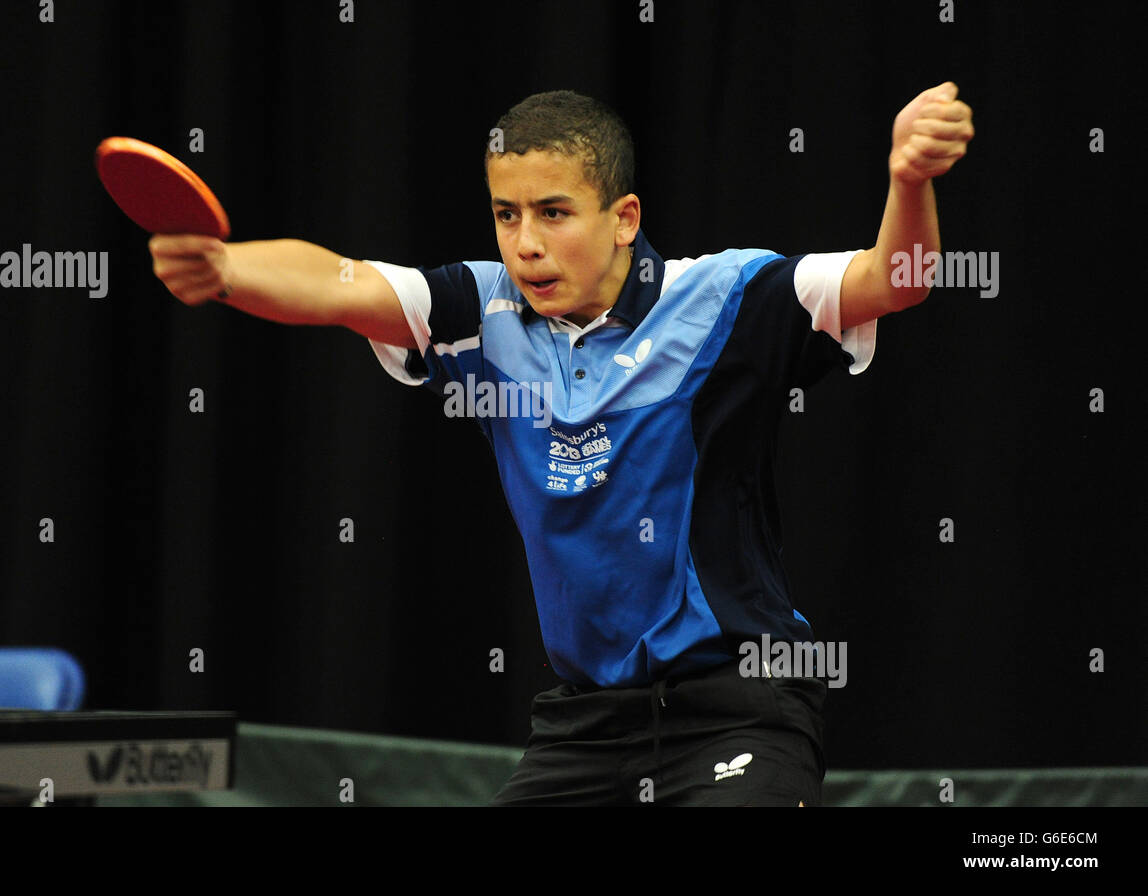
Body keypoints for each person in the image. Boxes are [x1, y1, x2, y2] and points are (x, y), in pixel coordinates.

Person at [149, 84, 974, 805]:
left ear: (624, 220)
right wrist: (224, 267)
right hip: (586, 724)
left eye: (553, 213)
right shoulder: (479, 311)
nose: (525, 244)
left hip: (741, 706)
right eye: (506, 214)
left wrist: (909, 181)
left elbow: (894, 280)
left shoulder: (727, 297)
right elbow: (340, 283)